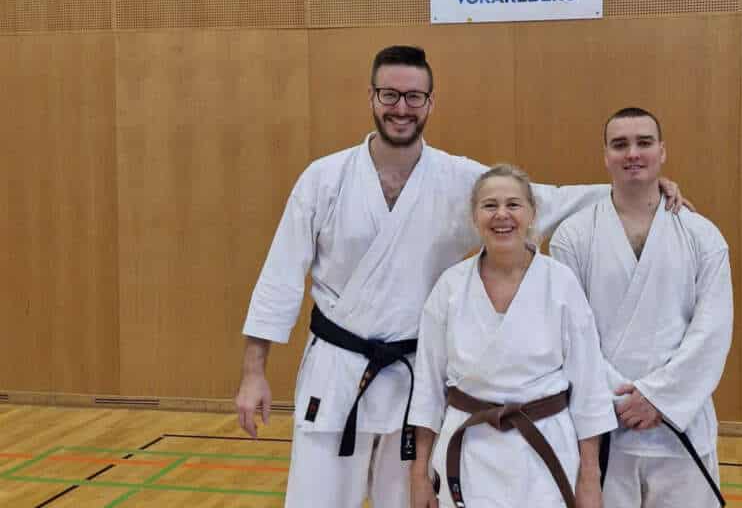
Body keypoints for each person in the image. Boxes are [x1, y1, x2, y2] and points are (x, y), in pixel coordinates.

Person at [234, 47, 685, 508]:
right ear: (371, 97)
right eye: (390, 95)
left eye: (414, 97)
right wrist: (254, 374)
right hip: (334, 372)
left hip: (412, 380)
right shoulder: (324, 178)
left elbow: (542, 201)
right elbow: (280, 277)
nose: (401, 108)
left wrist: (636, 190)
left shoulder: (456, 177)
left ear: (430, 103)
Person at [550, 107, 733, 508]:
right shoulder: (573, 236)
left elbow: (712, 332)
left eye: (644, 143)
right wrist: (620, 400)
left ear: (662, 152)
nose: (632, 153)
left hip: (681, 426)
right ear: (605, 157)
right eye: (620, 145)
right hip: (603, 426)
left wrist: (659, 399)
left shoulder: (702, 236)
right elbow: (571, 334)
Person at [408, 164, 616, 508]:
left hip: (544, 451)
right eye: (489, 205)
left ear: (532, 213)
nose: (501, 215)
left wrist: (590, 478)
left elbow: (590, 387)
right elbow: (428, 388)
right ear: (474, 217)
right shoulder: (450, 286)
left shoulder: (560, 282)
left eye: (513, 205)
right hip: (467, 453)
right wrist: (419, 475)